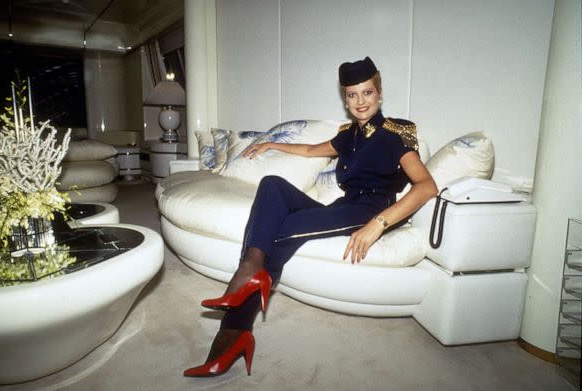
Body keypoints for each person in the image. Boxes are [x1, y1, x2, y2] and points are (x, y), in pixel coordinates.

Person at [183, 56, 438, 377]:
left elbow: (427, 186)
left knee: (281, 229)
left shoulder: (395, 135)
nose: (360, 101)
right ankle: (250, 272)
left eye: (367, 92)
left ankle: (233, 331)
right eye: (352, 94)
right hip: (343, 208)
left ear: (379, 94)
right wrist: (271, 144)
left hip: (370, 212)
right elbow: (309, 150)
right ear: (345, 99)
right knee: (272, 186)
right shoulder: (349, 136)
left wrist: (378, 225)